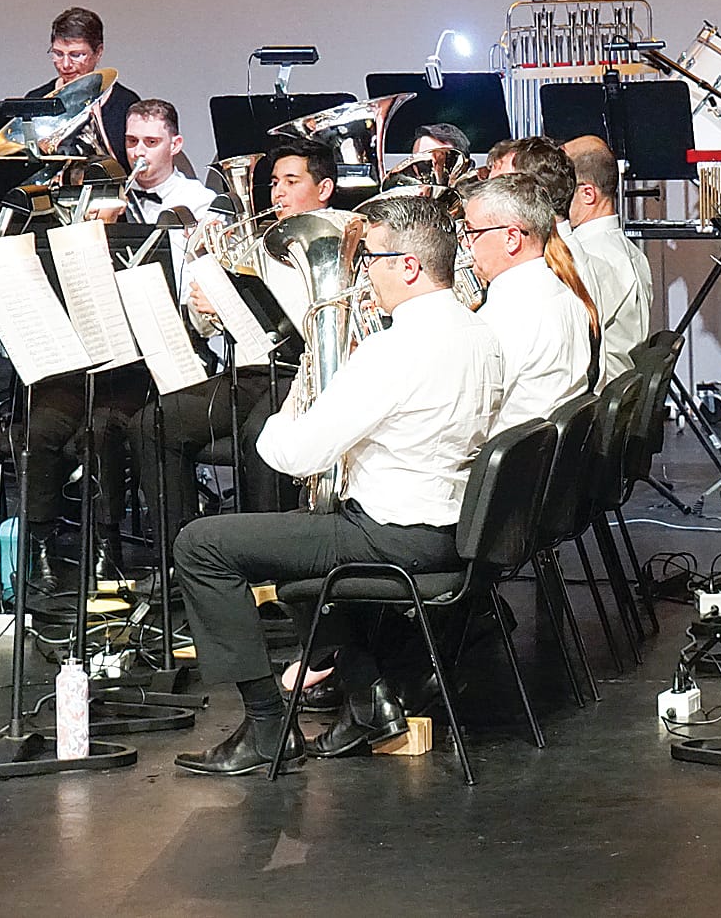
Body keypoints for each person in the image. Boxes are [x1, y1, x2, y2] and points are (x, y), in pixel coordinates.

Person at [172, 196, 506, 776]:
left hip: (396, 534)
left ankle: (268, 728)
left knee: (201, 545)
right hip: (451, 527)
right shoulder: (482, 335)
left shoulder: (394, 350)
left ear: (408, 266)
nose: (362, 274)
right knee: (302, 566)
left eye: (371, 258)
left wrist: (291, 405)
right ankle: (369, 699)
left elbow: (293, 453)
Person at [130, 137, 336, 552]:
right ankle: (183, 557)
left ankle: (271, 565)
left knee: (261, 437)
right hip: (249, 372)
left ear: (324, 189)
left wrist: (239, 306)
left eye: (291, 181)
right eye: (275, 181)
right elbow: (208, 334)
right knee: (151, 424)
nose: (278, 191)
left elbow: (312, 317)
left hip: (304, 373)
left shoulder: (337, 235)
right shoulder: (256, 242)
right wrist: (208, 305)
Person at [462, 173, 594, 428]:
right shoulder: (566, 294)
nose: (466, 244)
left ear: (512, 238)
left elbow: (467, 415)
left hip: (506, 458)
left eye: (472, 231)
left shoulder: (504, 316)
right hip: (544, 457)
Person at [483, 137, 607, 385]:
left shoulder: (549, 266)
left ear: (531, 196)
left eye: (503, 189)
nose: (489, 200)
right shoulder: (570, 251)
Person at [561, 135, 652, 382]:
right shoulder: (630, 251)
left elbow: (567, 341)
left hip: (597, 404)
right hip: (617, 393)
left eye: (561, 186)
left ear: (588, 193)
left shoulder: (591, 257)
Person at [23, 7, 140, 169]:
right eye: (57, 53)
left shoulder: (125, 103)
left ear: (98, 52)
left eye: (76, 55)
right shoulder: (36, 99)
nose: (65, 65)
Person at [116, 99, 216, 222]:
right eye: (132, 141)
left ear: (175, 145)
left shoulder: (200, 201)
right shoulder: (112, 198)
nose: (138, 152)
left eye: (151, 142)